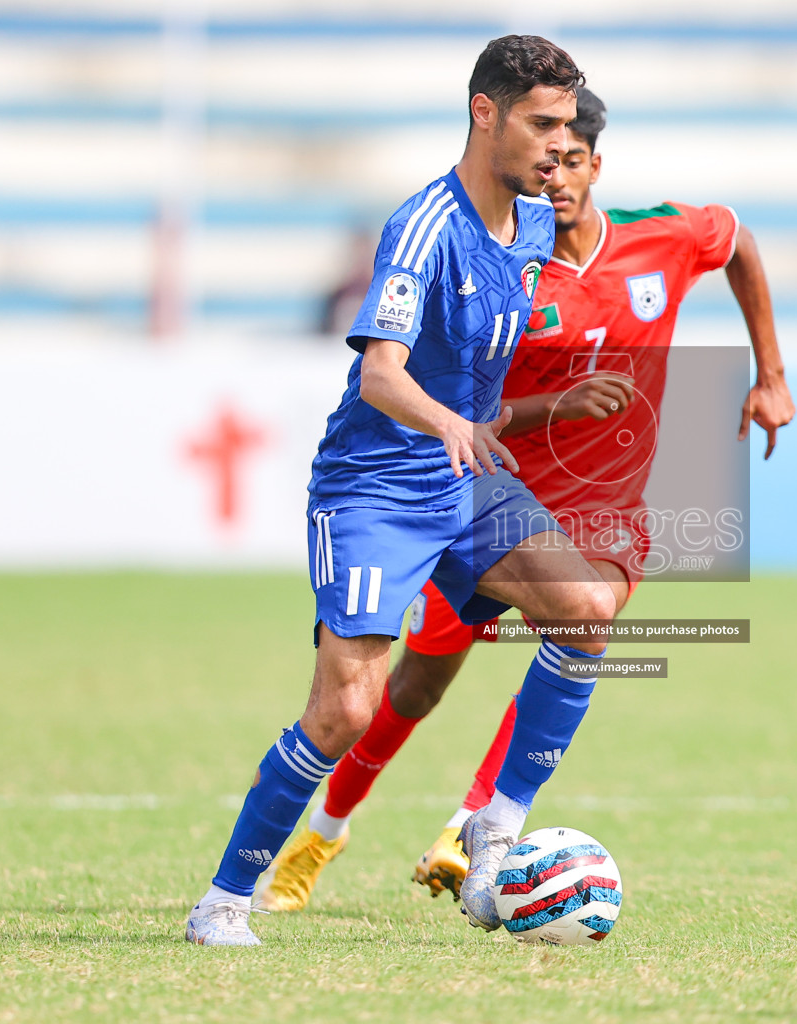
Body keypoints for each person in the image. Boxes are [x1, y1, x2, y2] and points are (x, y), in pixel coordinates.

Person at [255, 87, 796, 913]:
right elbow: (469, 401)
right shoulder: (515, 259)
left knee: (585, 617)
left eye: (573, 158)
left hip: (605, 511)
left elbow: (740, 243)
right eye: (547, 155)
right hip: (491, 495)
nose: (557, 176)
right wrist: (547, 408)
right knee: (409, 689)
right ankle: (325, 829)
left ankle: (481, 824)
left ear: (595, 165)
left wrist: (771, 377)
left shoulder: (662, 239)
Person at [184, 34, 619, 946]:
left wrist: (541, 407)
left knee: (584, 606)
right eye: (541, 123)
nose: (556, 144)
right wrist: (452, 424)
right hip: (377, 484)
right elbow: (382, 375)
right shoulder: (425, 223)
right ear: (484, 112)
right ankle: (223, 902)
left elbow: (484, 365)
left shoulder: (536, 222)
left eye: (568, 126)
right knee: (347, 710)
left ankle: (494, 835)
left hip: (467, 474)